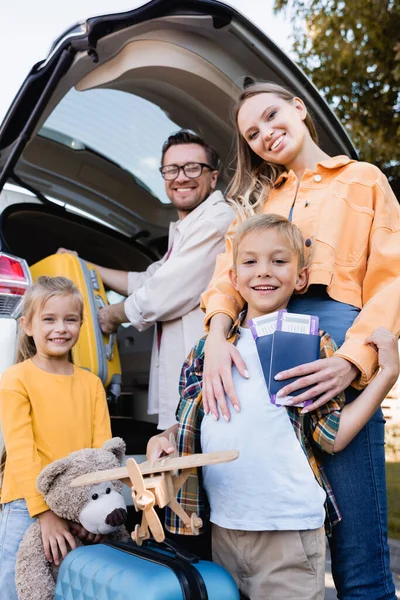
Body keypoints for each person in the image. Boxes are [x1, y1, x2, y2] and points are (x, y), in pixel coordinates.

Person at [199, 82, 400, 599]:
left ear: (299, 108)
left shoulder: (363, 180)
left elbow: (391, 279)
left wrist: (354, 363)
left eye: (270, 116)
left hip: (338, 342)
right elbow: (227, 277)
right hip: (257, 349)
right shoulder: (259, 203)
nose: (266, 133)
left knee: (358, 555)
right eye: (252, 133)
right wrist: (219, 334)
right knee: (279, 517)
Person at [147, 214, 400, 600]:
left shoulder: (310, 344)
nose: (264, 272)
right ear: (233, 279)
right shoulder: (208, 350)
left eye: (279, 261)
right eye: (250, 262)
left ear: (300, 277)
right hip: (222, 527)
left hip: (289, 532)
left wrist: (386, 375)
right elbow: (191, 425)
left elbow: (331, 437)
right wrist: (163, 440)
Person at [58, 130, 234, 430]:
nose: (181, 177)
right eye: (171, 169)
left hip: (205, 383)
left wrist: (112, 315)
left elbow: (162, 294)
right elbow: (148, 280)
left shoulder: (218, 220)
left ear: (213, 177)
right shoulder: (187, 228)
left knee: (200, 471)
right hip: (187, 384)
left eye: (193, 167)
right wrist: (84, 266)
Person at [0, 276, 112, 600]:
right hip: (25, 505)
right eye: (49, 319)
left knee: (67, 589)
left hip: (80, 506)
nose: (60, 328)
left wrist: (93, 511)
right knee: (15, 589)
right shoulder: (16, 379)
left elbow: (102, 453)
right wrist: (44, 514)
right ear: (28, 325)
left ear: (81, 324)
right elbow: (22, 452)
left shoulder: (91, 385)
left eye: (70, 319)